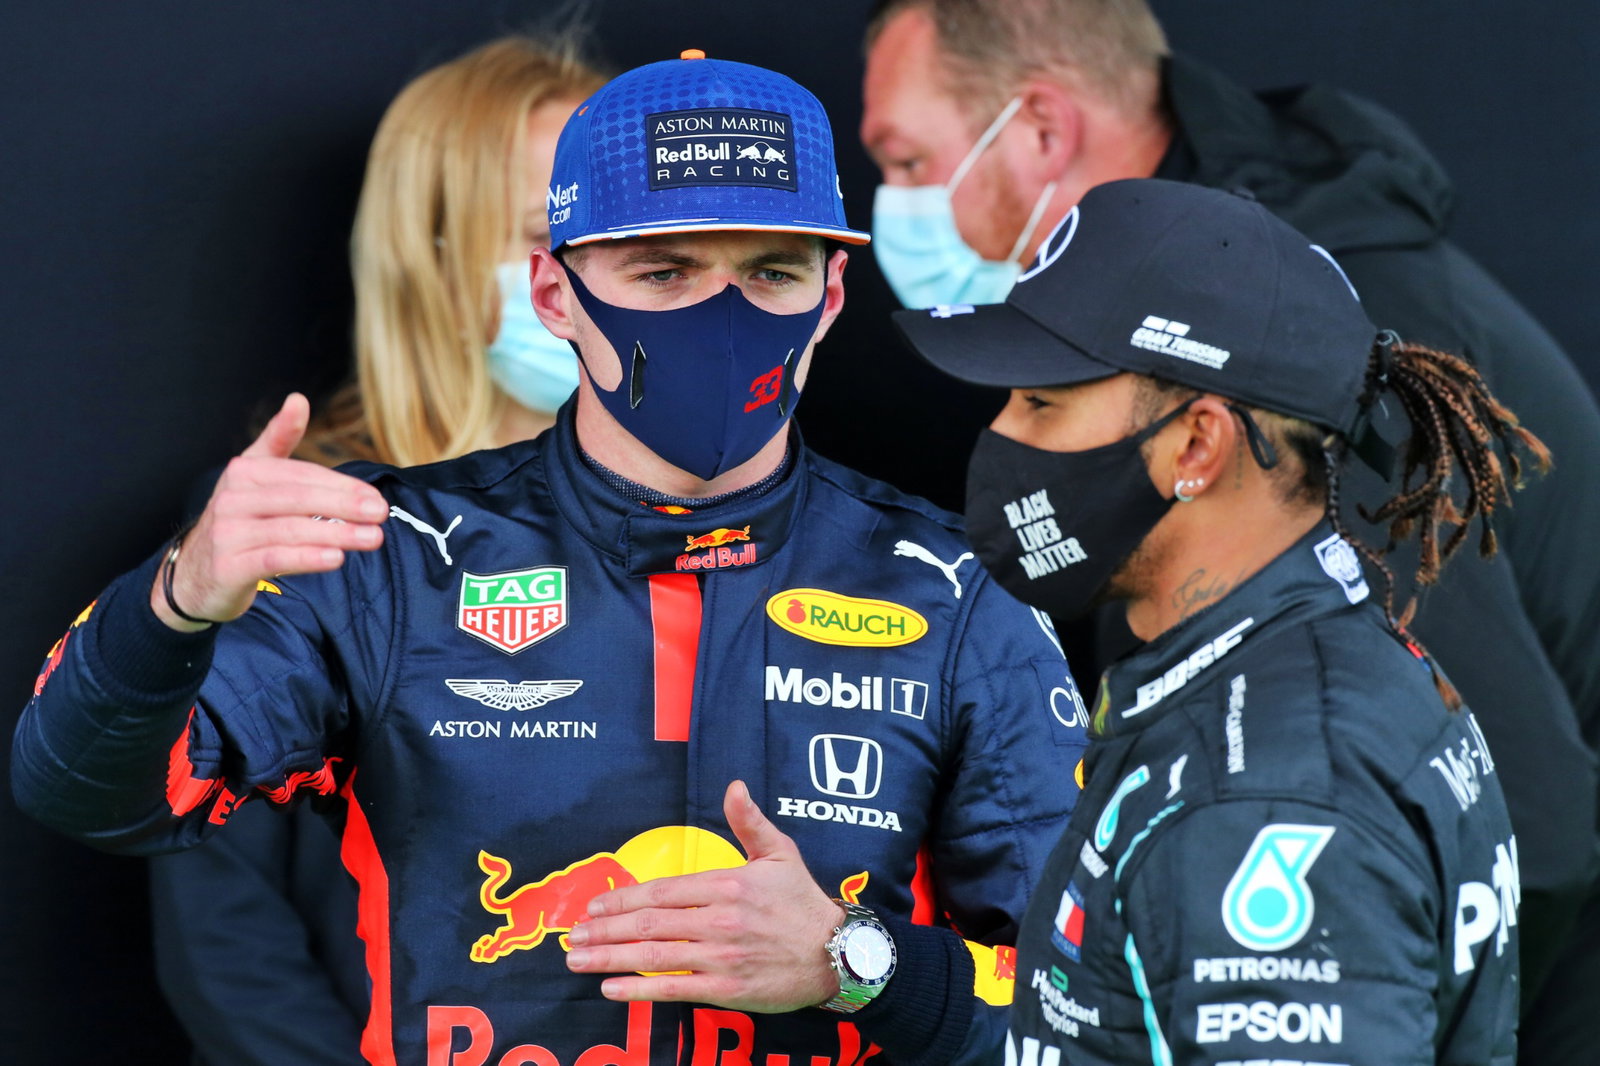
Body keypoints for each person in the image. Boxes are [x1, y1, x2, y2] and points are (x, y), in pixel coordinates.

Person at [14, 51, 1085, 1066]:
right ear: (553, 292)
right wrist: (173, 606)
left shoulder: (957, 590)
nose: (722, 314)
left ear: (831, 297)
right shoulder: (392, 554)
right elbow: (87, 794)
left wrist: (857, 965)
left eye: (770, 271)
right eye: (662, 270)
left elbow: (1094, 1007)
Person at [850, 1, 1600, 1051]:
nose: (1001, 438)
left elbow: (1536, 827)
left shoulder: (1292, 365)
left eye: (906, 159)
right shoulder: (1219, 305)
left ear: (1041, 128)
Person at [143, 35, 609, 1066]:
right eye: (548, 237)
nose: (597, 281)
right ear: (432, 255)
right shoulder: (289, 526)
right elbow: (227, 934)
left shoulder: (715, 521)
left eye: (625, 239)